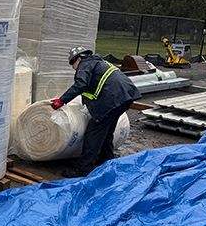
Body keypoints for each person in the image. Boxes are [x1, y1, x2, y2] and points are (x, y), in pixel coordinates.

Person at [51, 46, 141, 178]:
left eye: (72, 63)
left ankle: (84, 168)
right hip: (126, 96)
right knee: (107, 131)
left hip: (112, 99)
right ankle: (106, 160)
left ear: (79, 58)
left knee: (93, 133)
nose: (73, 68)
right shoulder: (99, 62)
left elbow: (81, 84)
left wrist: (62, 100)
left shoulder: (85, 64)